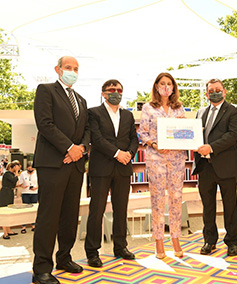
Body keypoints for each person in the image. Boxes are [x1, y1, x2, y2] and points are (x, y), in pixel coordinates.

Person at [32, 56, 89, 284]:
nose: (72, 71)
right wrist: (69, 148)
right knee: (49, 216)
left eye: (76, 69)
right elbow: (45, 123)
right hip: (52, 163)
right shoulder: (46, 90)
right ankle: (42, 269)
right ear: (58, 69)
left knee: (69, 215)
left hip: (75, 165)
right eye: (68, 68)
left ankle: (64, 257)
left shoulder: (82, 100)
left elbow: (87, 129)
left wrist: (81, 148)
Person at [84, 79, 139, 267]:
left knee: (121, 209)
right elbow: (96, 139)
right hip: (101, 168)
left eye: (119, 90)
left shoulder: (128, 115)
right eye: (112, 89)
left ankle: (120, 246)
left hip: (123, 168)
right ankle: (92, 252)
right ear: (103, 93)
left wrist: (129, 154)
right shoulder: (93, 113)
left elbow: (134, 138)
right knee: (96, 210)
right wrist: (117, 153)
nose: (116, 92)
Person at [138, 72, 186, 259]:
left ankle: (175, 238)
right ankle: (159, 241)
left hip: (176, 159)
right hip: (156, 158)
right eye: (162, 83)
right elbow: (143, 133)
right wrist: (155, 145)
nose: (166, 86)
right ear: (156, 86)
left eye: (169, 83)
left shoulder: (179, 108)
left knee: (176, 199)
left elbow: (183, 132)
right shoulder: (149, 108)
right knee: (157, 200)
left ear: (173, 87)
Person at [192, 78, 237, 256]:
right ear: (206, 93)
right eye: (211, 90)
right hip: (204, 166)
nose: (214, 92)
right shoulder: (200, 111)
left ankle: (232, 242)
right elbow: (195, 134)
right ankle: (209, 241)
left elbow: (233, 135)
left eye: (218, 89)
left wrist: (211, 148)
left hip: (226, 166)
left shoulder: (234, 110)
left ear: (224, 91)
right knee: (208, 207)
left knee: (230, 206)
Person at [0, 160, 21, 239]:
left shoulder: (11, 174)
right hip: (5, 193)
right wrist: (16, 171)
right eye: (17, 167)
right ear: (14, 167)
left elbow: (14, 183)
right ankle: (5, 233)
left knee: (9, 211)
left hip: (10, 193)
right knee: (4, 211)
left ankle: (8, 230)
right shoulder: (7, 173)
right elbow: (14, 180)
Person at [19, 161, 38, 233]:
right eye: (29, 167)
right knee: (25, 210)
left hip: (34, 193)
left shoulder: (37, 173)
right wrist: (23, 186)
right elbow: (20, 183)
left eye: (32, 167)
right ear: (27, 167)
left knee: (33, 210)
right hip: (25, 193)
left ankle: (33, 225)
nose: (30, 168)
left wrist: (35, 188)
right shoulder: (23, 174)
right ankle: (23, 226)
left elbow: (40, 183)